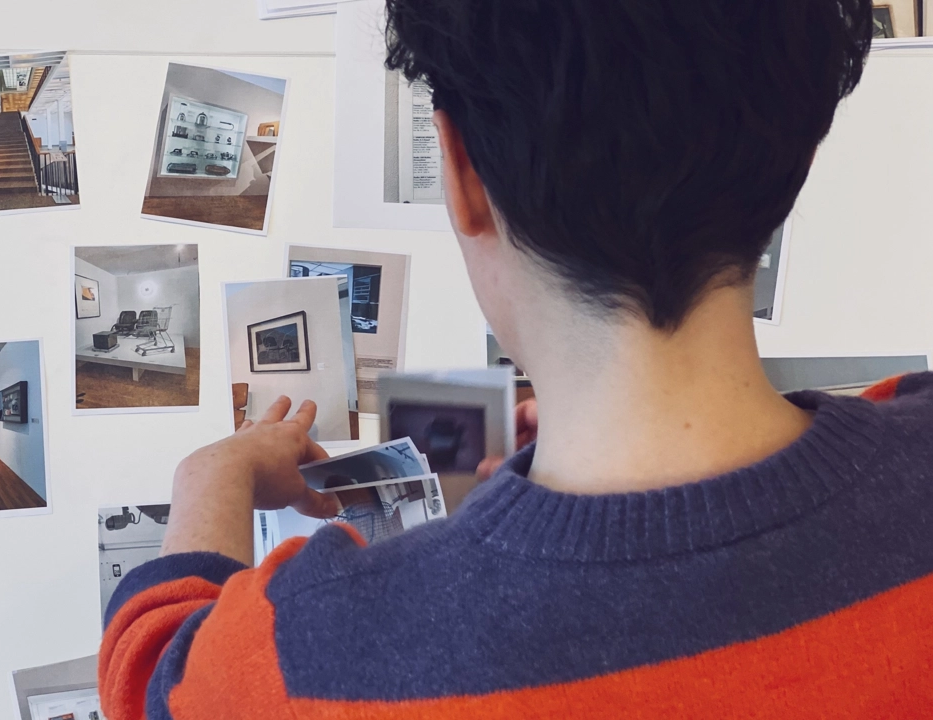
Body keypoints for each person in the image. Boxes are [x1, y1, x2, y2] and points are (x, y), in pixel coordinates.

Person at [100, 1, 933, 716]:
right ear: (800, 160)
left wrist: (209, 478)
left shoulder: (308, 663)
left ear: (457, 172)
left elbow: (156, 677)